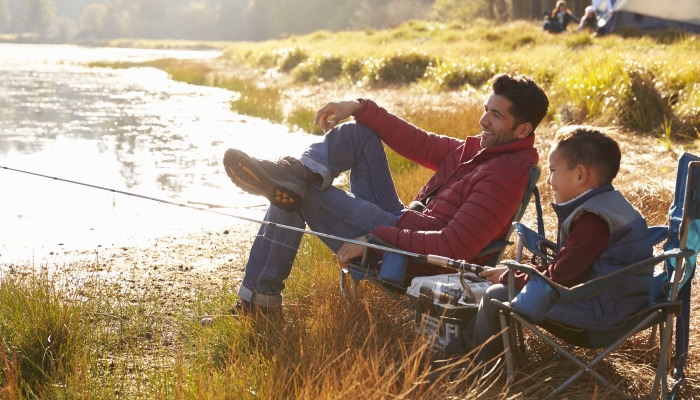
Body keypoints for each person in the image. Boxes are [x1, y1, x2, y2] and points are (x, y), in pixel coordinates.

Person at [221, 73, 549, 315]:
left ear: (522, 130)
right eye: (486, 109)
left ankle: (258, 302)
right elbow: (417, 141)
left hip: (409, 256)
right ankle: (297, 173)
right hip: (407, 221)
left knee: (296, 193)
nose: (483, 120)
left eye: (496, 115)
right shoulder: (482, 150)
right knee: (359, 134)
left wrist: (376, 237)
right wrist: (359, 107)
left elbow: (455, 247)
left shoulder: (504, 176)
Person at [444, 126, 653, 364]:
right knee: (504, 288)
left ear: (580, 175)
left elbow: (560, 279)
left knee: (496, 296)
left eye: (553, 171)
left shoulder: (592, 219)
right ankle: (459, 354)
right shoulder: (611, 204)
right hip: (618, 305)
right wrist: (519, 273)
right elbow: (571, 270)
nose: (549, 180)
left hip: (602, 317)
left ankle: (472, 368)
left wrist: (511, 276)